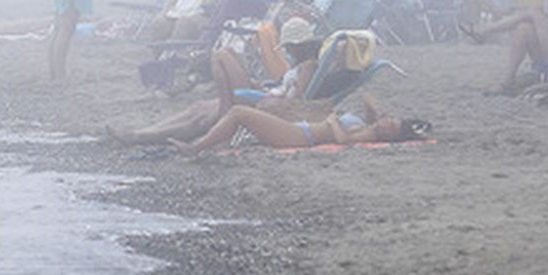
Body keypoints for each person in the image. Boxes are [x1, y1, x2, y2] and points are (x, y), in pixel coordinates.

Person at [107, 17, 322, 145]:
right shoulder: (299, 66)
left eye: (290, 47)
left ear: (298, 46)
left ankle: (223, 114)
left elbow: (297, 104)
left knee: (223, 55)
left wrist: (270, 95)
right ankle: (142, 134)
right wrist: (266, 88)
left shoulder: (309, 66)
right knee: (199, 109)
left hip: (269, 108)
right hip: (264, 97)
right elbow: (285, 90)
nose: (288, 51)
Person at [171, 93, 431, 156]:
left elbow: (342, 140)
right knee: (244, 111)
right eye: (390, 120)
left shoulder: (370, 134)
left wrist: (332, 121)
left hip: (299, 136)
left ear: (389, 135)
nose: (386, 122)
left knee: (240, 112)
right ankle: (203, 143)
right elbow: (368, 99)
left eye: (391, 125)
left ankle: (196, 147)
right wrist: (378, 113)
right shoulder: (372, 125)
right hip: (300, 130)